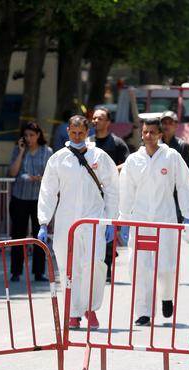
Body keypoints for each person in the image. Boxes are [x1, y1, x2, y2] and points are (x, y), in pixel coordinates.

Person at [37, 115, 119, 330]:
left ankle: (90, 308)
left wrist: (112, 220)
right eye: (73, 132)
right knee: (68, 268)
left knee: (94, 264)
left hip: (94, 220)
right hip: (66, 222)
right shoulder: (58, 159)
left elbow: (112, 188)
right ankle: (73, 313)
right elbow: (48, 191)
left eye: (81, 133)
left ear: (88, 132)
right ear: (67, 131)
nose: (76, 136)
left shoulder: (99, 156)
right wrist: (44, 222)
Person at [119, 118, 189, 326]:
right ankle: (143, 311)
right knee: (139, 266)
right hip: (141, 220)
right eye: (145, 132)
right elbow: (126, 191)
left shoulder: (171, 157)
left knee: (166, 265)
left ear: (160, 135)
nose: (148, 136)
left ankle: (167, 297)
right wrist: (124, 219)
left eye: (153, 132)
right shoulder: (134, 160)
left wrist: (188, 214)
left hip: (166, 219)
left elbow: (185, 184)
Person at [7, 122, 52, 282]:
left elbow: (51, 174)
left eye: (31, 135)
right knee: (18, 235)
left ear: (38, 135)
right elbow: (12, 172)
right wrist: (20, 152)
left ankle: (39, 272)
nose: (28, 138)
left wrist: (40, 178)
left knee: (39, 235)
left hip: (39, 199)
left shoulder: (47, 152)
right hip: (20, 197)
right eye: (26, 135)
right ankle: (16, 271)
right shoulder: (19, 150)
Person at [89, 107, 130, 281]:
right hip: (90, 194)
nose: (96, 121)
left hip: (110, 194)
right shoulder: (87, 142)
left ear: (108, 122)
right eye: (94, 118)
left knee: (108, 229)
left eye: (100, 118)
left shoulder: (117, 143)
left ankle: (106, 268)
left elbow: (128, 163)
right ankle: (91, 267)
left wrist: (109, 173)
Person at [160, 110, 189, 221]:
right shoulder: (155, 145)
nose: (166, 126)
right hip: (158, 193)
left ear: (175, 125)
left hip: (175, 195)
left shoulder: (182, 146)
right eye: (164, 123)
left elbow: (186, 175)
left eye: (169, 123)